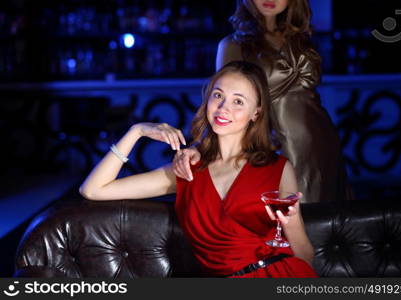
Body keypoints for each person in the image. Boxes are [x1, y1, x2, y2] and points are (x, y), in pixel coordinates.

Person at [79, 61, 317, 277]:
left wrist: (292, 221)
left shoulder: (278, 168)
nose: (223, 108)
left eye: (238, 101)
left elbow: (305, 257)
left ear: (256, 112)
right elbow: (93, 190)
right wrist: (136, 131)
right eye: (218, 95)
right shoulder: (186, 170)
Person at [173, 0, 353, 203]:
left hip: (322, 143)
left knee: (327, 220)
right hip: (275, 145)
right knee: (287, 218)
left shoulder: (301, 39)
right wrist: (199, 147)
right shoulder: (234, 45)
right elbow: (222, 103)